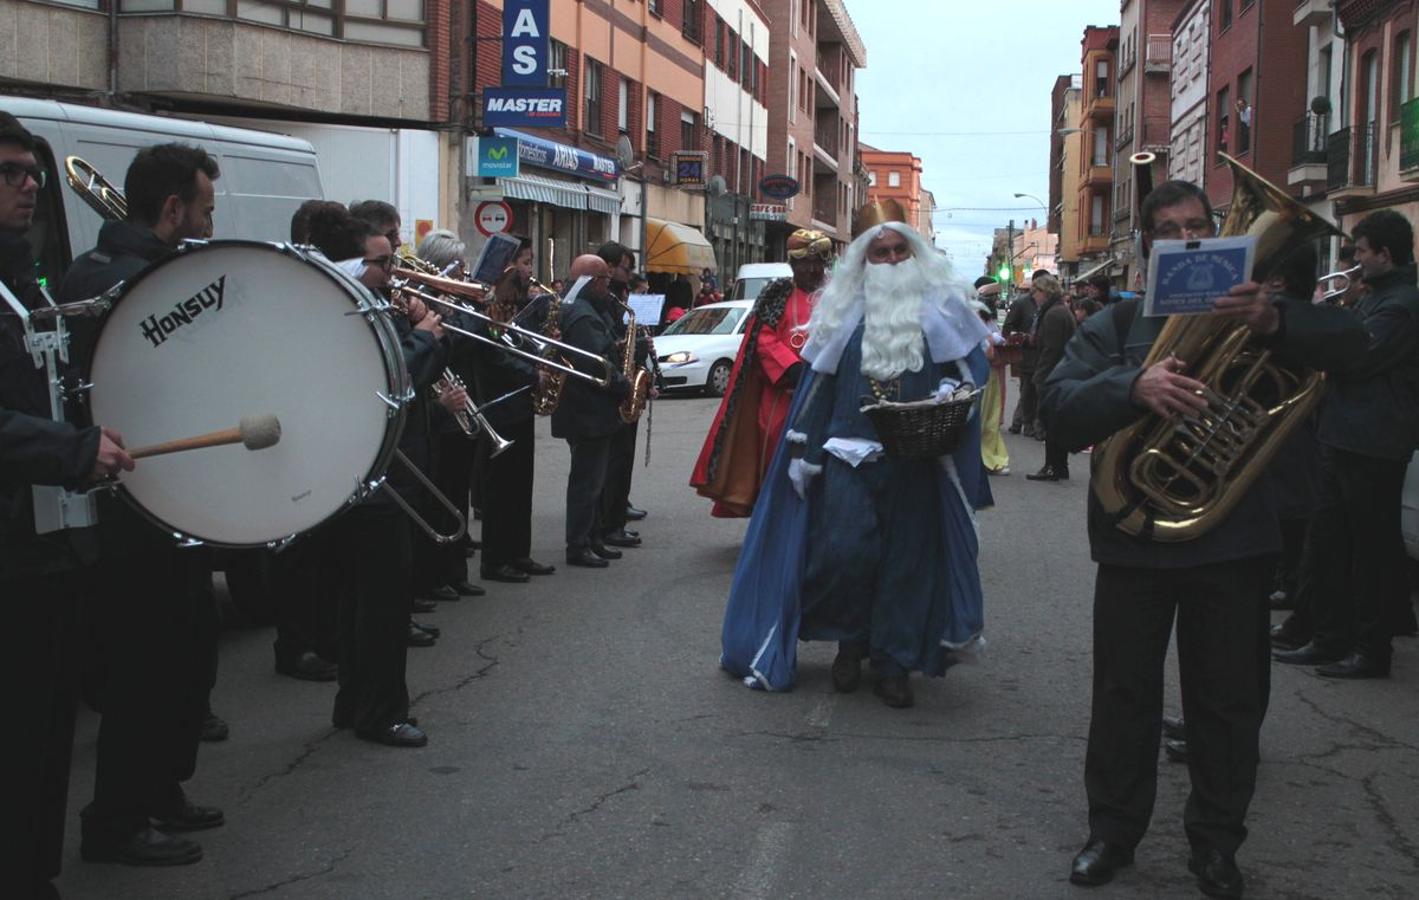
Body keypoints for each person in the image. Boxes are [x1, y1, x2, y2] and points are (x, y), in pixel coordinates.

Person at [1042, 179, 1366, 898]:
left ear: (1222, 237)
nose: (1186, 240)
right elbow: (1056, 406)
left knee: (1226, 703)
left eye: (1198, 227)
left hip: (1232, 541)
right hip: (1134, 540)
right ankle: (1111, 834)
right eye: (1169, 230)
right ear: (1147, 246)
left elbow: (1354, 345)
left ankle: (1217, 844)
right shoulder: (1117, 325)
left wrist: (1276, 321)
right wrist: (1131, 389)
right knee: (1123, 695)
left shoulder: (1257, 312)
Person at [719, 199, 992, 708]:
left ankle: (893, 663)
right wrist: (802, 450)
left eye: (898, 251)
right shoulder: (842, 312)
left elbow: (973, 376)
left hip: (916, 461)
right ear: (863, 259)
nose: (890, 262)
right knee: (845, 555)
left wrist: (950, 399)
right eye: (879, 253)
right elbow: (815, 389)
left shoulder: (943, 310)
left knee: (905, 563)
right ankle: (851, 643)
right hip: (848, 455)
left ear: (913, 254)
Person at [58, 142, 228, 868]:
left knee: (186, 658)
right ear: (171, 210)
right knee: (144, 671)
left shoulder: (118, 270)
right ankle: (117, 821)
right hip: (136, 503)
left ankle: (160, 791)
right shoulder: (129, 283)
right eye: (204, 211)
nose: (209, 225)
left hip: (162, 499)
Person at [1, 109, 134, 898]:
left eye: (32, 173)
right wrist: (69, 451)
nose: (29, 187)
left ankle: (32, 872)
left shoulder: (21, 275)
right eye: (10, 173)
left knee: (45, 737)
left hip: (45, 545)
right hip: (11, 550)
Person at [308, 204, 442, 746]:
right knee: (382, 609)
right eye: (382, 262)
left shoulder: (349, 307)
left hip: (363, 477)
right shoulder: (353, 314)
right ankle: (381, 711)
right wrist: (427, 337)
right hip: (375, 481)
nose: (393, 274)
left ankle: (352, 702)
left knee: (358, 603)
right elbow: (394, 386)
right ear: (349, 265)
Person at [1272, 208, 1419, 678]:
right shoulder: (1375, 297)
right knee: (1331, 542)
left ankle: (1370, 648)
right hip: (1347, 433)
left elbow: (1357, 355)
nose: (1352, 262)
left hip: (1374, 440)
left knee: (1368, 550)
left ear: (1385, 254)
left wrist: (1322, 336)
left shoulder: (1401, 305)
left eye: (1360, 252)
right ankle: (1327, 635)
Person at [691, 228, 831, 517]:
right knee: (774, 458)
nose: (813, 269)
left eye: (818, 262)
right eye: (806, 263)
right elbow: (763, 339)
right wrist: (790, 367)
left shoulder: (838, 296)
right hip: (782, 396)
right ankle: (773, 524)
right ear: (794, 265)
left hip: (827, 395)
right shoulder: (776, 297)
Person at [473, 234, 556, 584]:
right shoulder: (487, 304)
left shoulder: (519, 305)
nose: (529, 271)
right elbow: (492, 354)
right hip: (498, 407)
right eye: (525, 263)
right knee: (500, 491)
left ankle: (519, 553)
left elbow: (516, 346)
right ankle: (495, 560)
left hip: (519, 405)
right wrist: (531, 372)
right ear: (507, 267)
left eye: (530, 262)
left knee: (521, 486)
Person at [551, 254, 632, 568]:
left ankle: (593, 538)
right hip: (587, 411)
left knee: (593, 481)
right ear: (594, 281)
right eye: (605, 282)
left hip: (589, 410)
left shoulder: (581, 308)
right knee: (588, 482)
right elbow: (596, 363)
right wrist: (624, 385)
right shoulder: (582, 315)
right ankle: (579, 544)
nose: (608, 288)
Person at [595, 241, 648, 548]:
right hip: (608, 393)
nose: (629, 275)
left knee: (620, 459)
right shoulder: (601, 302)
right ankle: (609, 523)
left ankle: (616, 512)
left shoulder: (617, 299)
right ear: (610, 268)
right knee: (612, 462)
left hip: (621, 385)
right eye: (626, 269)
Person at [1026, 273, 1076, 480]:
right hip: (1060, 373)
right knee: (1056, 422)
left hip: (1053, 375)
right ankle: (1059, 466)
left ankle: (1052, 466)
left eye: (1035, 291)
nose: (1033, 296)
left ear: (1045, 292)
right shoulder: (1058, 310)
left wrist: (1040, 376)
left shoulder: (1054, 314)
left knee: (1050, 422)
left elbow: (1052, 349)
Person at [975, 282, 1010, 476]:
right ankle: (987, 456)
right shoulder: (985, 323)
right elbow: (988, 350)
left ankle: (987, 456)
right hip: (987, 374)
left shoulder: (980, 323)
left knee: (987, 416)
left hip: (986, 375)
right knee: (988, 416)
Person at [1001, 280, 1039, 435]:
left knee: (1033, 390)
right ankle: (1022, 423)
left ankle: (1023, 423)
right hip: (1026, 354)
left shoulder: (1045, 304)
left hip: (1040, 354)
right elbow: (1007, 328)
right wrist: (1022, 338)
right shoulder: (1022, 304)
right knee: (1027, 390)